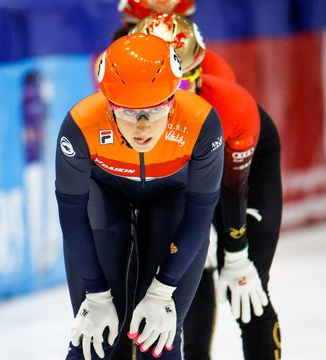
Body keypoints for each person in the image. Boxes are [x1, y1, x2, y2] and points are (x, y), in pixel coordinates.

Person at [55, 33, 224, 360]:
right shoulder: (80, 125)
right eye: (129, 112)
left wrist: (163, 289)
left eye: (157, 109)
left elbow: (201, 211)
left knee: (158, 340)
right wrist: (96, 295)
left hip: (171, 198)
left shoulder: (201, 122)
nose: (143, 127)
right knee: (94, 340)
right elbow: (73, 219)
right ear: (109, 104)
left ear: (174, 99)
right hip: (105, 196)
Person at [124, 13, 283, 360]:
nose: (173, 103)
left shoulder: (229, 103)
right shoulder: (129, 115)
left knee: (248, 289)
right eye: (157, 94)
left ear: (199, 73)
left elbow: (234, 184)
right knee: (178, 274)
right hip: (187, 180)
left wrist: (236, 251)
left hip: (240, 170)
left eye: (181, 86)